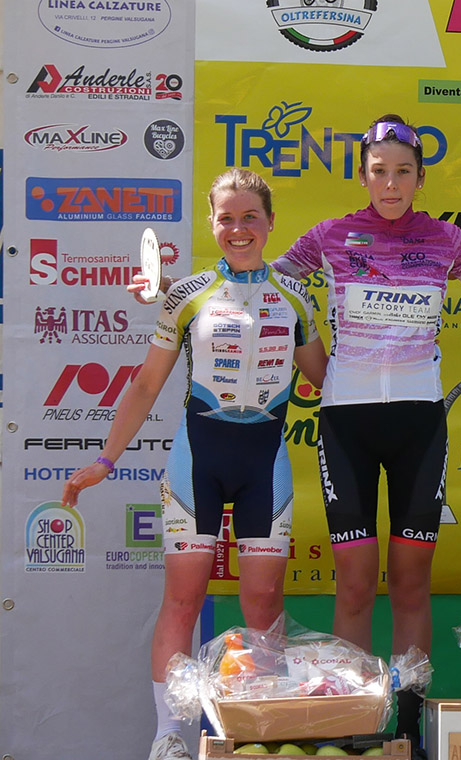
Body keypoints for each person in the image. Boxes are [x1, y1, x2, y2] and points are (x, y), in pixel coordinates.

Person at [133, 116, 461, 753]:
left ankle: (406, 727)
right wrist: (162, 288)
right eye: (379, 171)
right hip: (346, 419)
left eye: (403, 172)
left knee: (411, 580)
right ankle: (350, 725)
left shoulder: (447, 242)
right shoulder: (330, 236)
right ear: (363, 176)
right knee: (354, 581)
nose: (391, 183)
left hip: (419, 421)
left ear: (421, 178)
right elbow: (249, 279)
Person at [66, 168, 327, 760]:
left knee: (264, 602)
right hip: (196, 460)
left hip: (265, 462)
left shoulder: (296, 297)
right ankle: (169, 736)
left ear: (270, 222)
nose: (238, 228)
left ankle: (262, 731)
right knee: (183, 599)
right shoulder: (186, 296)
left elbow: (327, 381)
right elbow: (145, 385)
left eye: (250, 216)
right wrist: (106, 459)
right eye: (226, 218)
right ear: (212, 224)